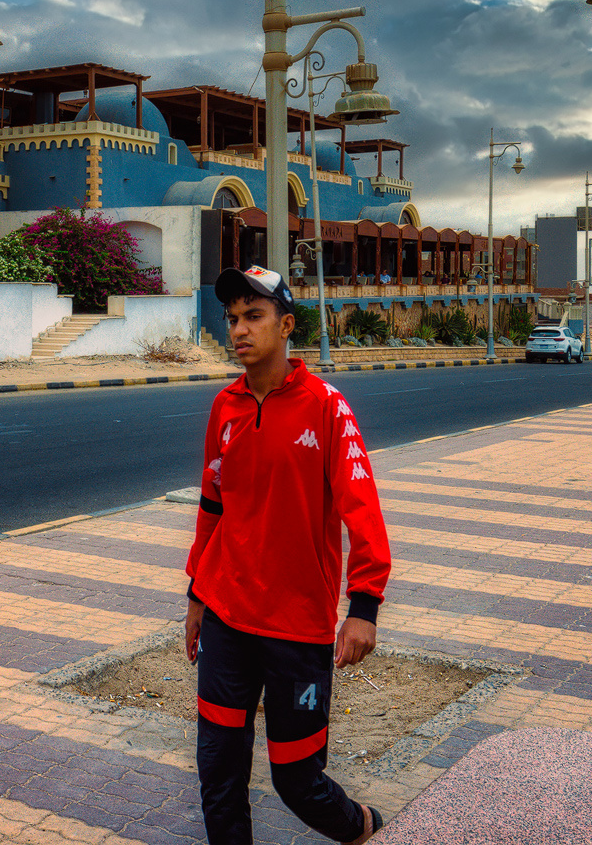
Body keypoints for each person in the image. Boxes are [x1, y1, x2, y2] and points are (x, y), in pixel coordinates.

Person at [186, 265, 392, 845]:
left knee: (297, 780)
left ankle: (360, 826)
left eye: (254, 317)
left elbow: (362, 508)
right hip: (227, 615)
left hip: (296, 628)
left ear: (286, 325)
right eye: (233, 319)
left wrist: (364, 606)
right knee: (218, 771)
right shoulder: (225, 406)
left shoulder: (327, 408)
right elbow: (212, 506)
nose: (240, 331)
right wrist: (197, 595)